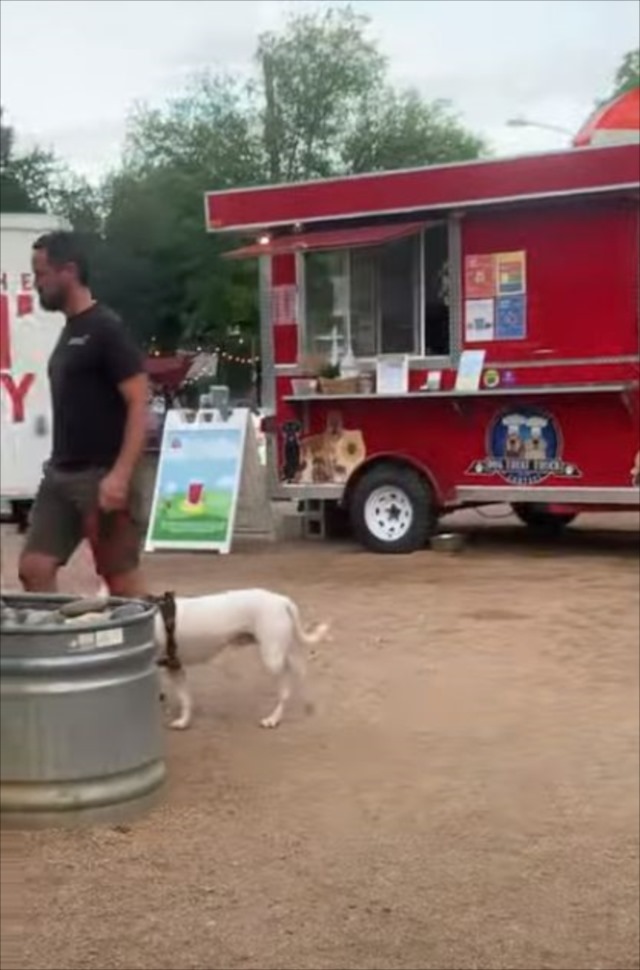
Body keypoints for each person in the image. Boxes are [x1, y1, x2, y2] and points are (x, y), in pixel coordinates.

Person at [18, 231, 150, 598]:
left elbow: (141, 403)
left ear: (69, 271)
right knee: (35, 568)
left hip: (101, 476)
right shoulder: (70, 330)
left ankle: (150, 650)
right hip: (61, 473)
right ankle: (54, 650)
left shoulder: (106, 329)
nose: (36, 285)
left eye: (41, 274)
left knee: (121, 582)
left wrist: (121, 475)